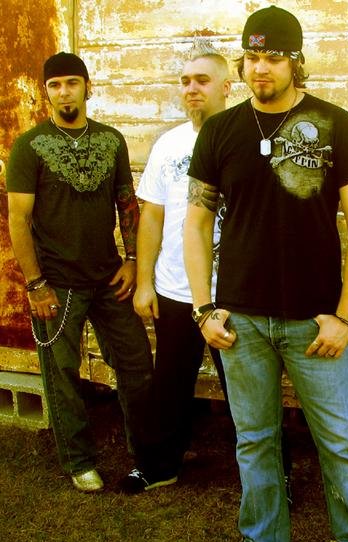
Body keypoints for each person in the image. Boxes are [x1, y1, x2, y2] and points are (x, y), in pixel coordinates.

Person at [183, 5, 348, 542]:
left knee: (342, 442)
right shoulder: (220, 130)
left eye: (273, 57)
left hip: (315, 323)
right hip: (240, 322)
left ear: (296, 61)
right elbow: (195, 224)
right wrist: (203, 308)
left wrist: (346, 315)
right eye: (251, 57)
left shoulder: (335, 124)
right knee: (255, 442)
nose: (260, 68)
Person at [6, 52, 166, 493]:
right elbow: (18, 219)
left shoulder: (111, 141)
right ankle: (79, 460)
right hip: (56, 284)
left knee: (136, 361)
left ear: (87, 87)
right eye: (55, 85)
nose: (64, 93)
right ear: (46, 92)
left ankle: (147, 452)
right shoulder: (29, 146)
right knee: (62, 374)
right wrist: (35, 284)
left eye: (72, 83)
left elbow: (126, 202)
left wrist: (132, 260)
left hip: (109, 277)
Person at [126, 47, 232, 492]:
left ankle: (269, 472)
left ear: (227, 87)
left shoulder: (244, 139)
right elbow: (151, 216)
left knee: (247, 392)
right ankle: (159, 466)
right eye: (185, 80)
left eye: (202, 80)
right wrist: (145, 282)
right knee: (169, 384)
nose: (192, 88)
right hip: (174, 288)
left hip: (231, 293)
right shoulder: (168, 144)